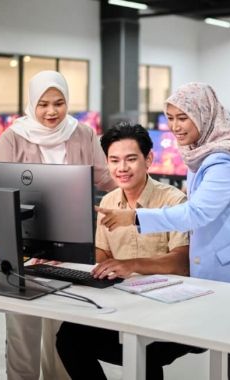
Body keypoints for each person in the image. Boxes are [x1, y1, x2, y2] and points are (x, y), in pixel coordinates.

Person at [95, 82, 230, 380]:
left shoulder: (223, 157)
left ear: (205, 115)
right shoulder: (202, 150)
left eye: (184, 117)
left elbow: (199, 212)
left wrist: (134, 217)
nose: (176, 126)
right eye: (171, 117)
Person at [0, 70, 116, 380]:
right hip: (23, 247)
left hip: (69, 246)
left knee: (62, 335)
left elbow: (104, 177)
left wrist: (144, 191)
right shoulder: (13, 137)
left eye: (59, 103)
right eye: (43, 104)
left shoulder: (84, 134)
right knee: (23, 334)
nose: (52, 111)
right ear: (31, 103)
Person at [56, 123, 194, 379]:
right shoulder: (109, 201)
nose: (122, 168)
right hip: (123, 305)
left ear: (148, 159)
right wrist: (67, 260)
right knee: (68, 338)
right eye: (114, 160)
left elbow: (181, 262)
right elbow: (103, 254)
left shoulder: (174, 201)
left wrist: (130, 264)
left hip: (167, 311)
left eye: (131, 159)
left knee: (141, 349)